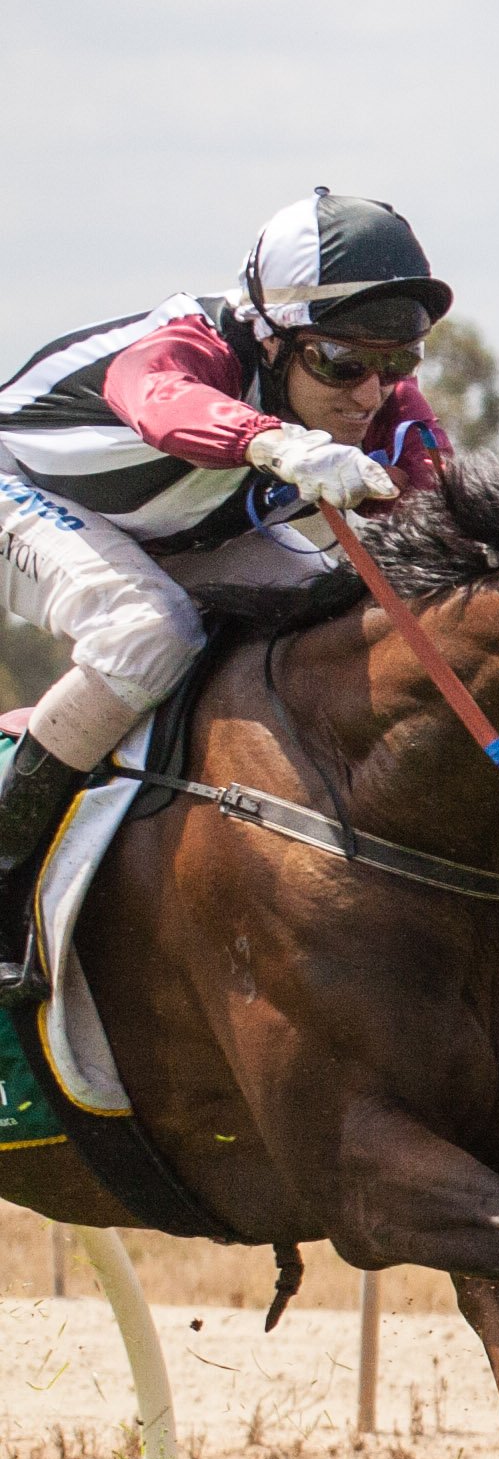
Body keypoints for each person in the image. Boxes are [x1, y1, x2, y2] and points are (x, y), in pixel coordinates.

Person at [0, 191, 466, 1002]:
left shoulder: (380, 400)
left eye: (396, 364)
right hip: (23, 491)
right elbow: (158, 401)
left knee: (336, 620)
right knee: (149, 631)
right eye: (341, 363)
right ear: (270, 335)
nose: (369, 393)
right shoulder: (194, 342)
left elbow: (448, 512)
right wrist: (274, 442)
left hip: (170, 532)